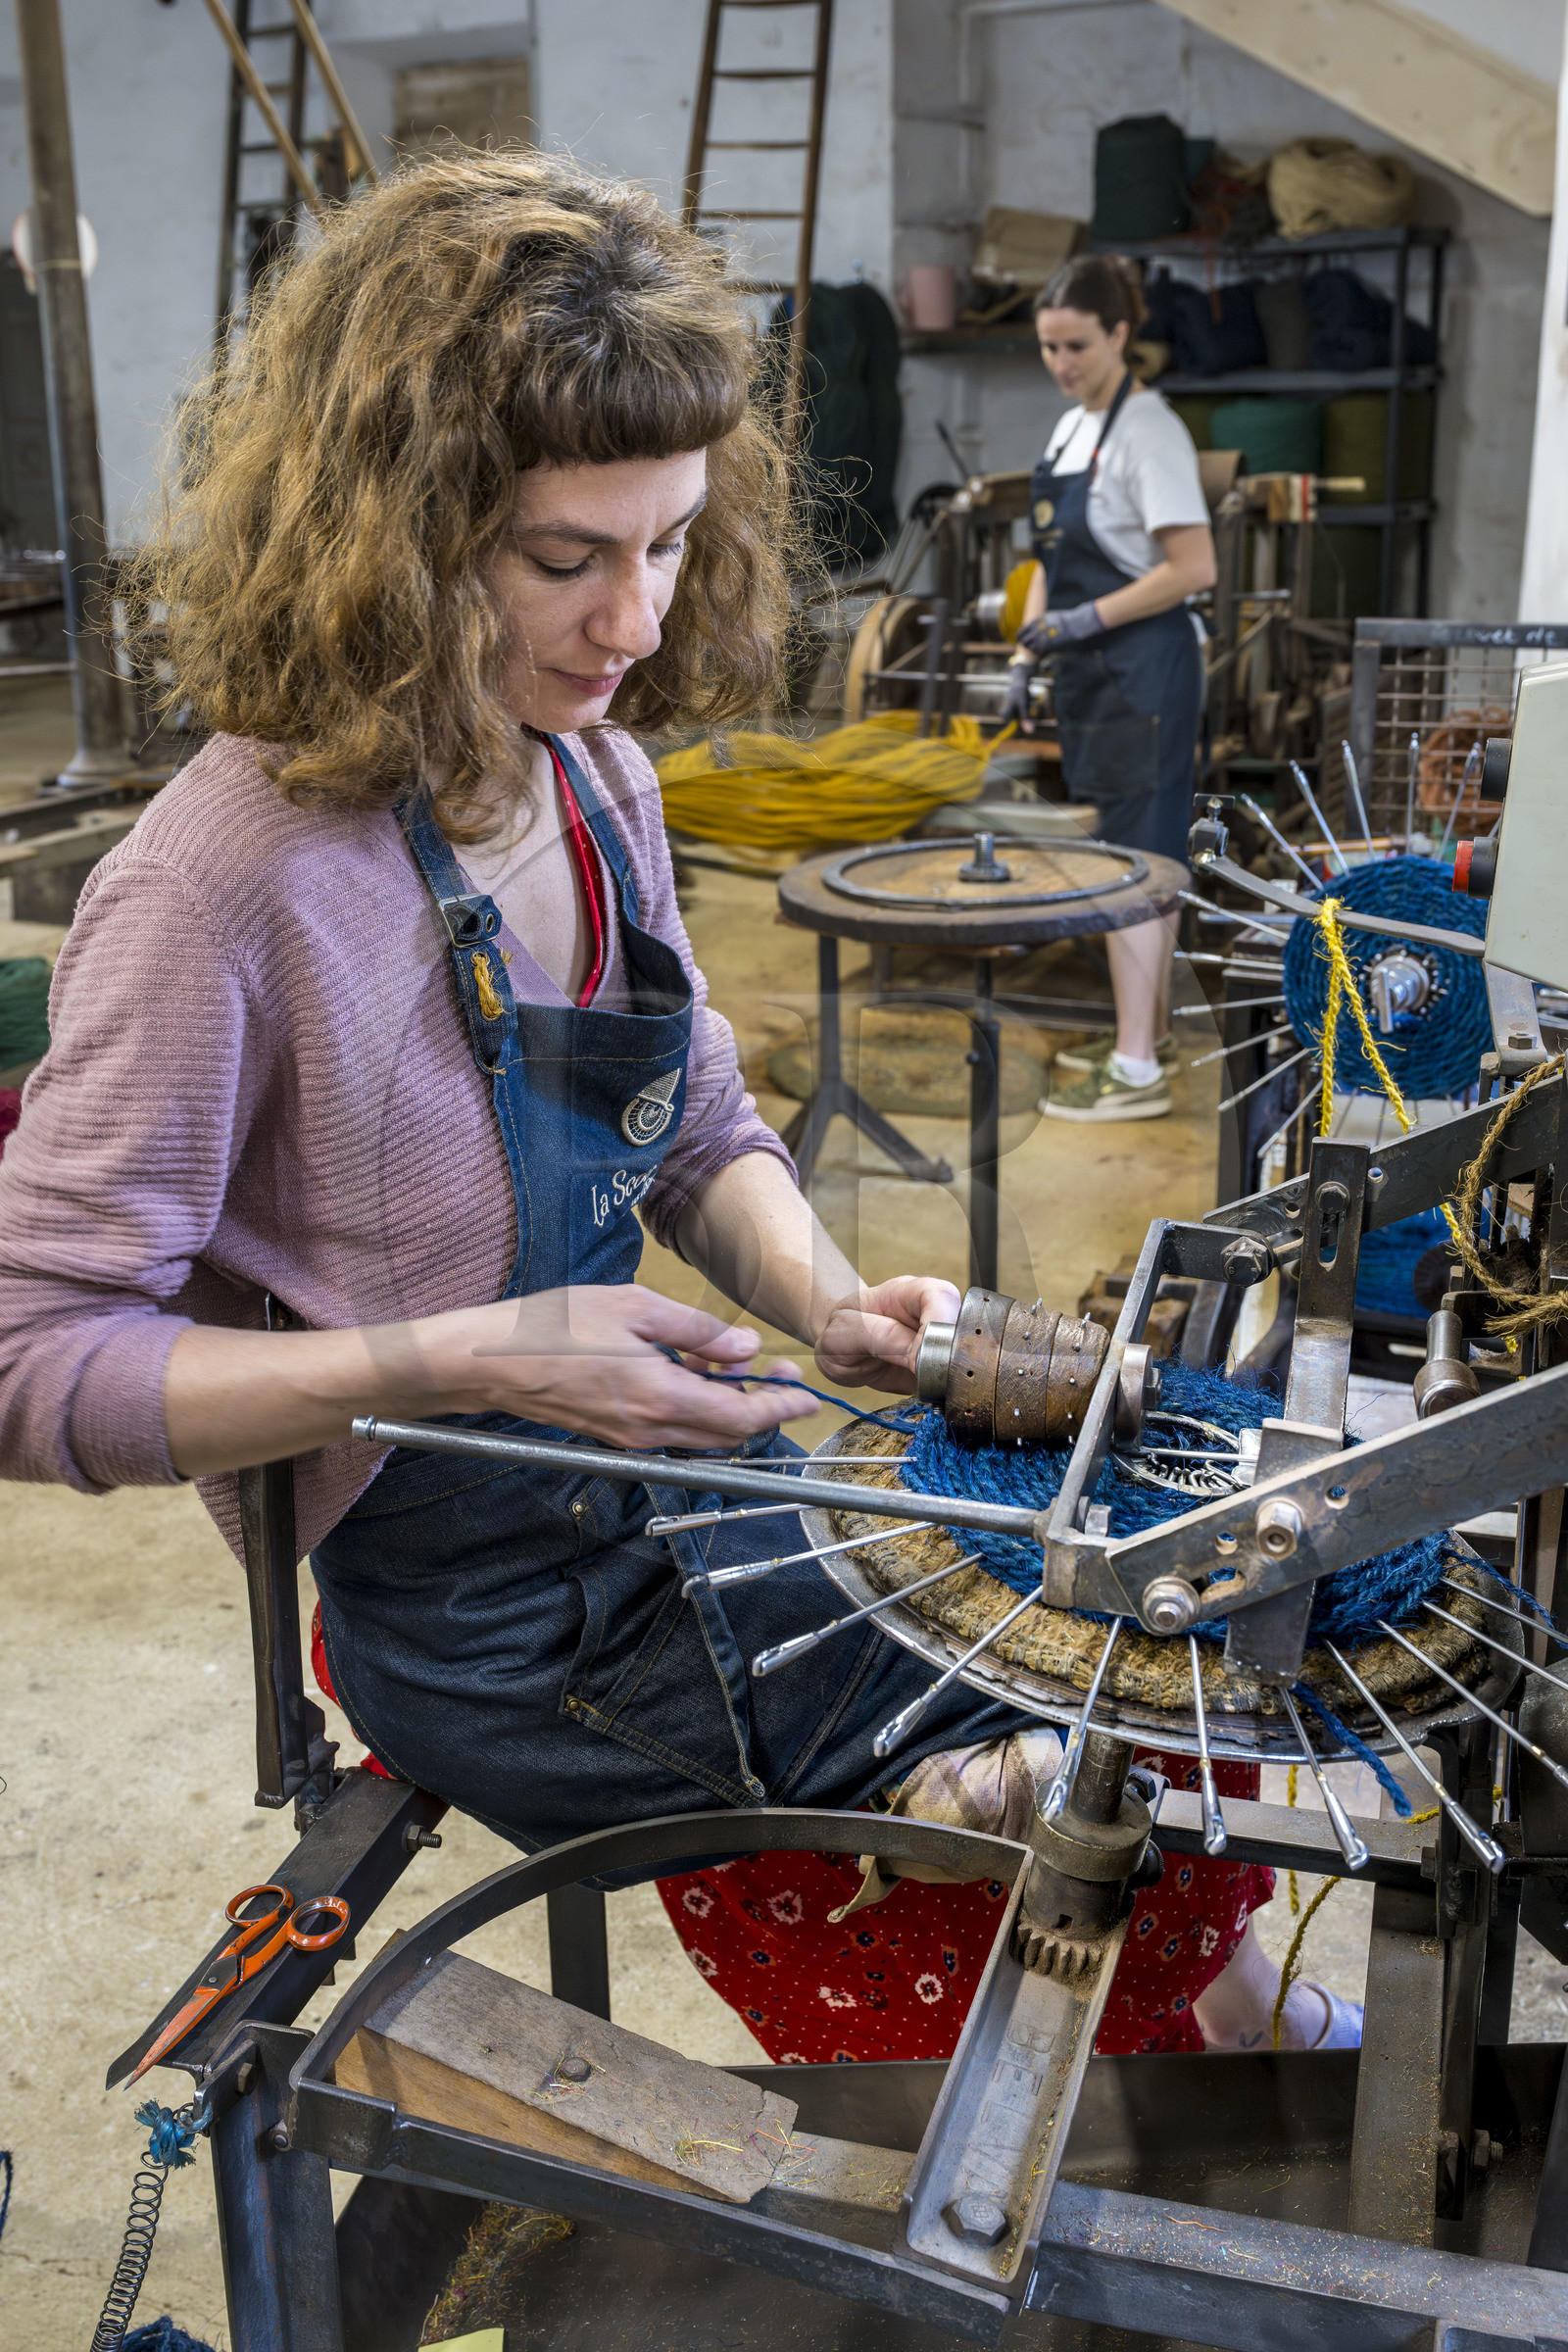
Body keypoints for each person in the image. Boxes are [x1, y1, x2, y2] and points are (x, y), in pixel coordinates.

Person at [0, 153, 1344, 2059]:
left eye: (671, 540)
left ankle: (1237, 2052)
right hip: (484, 1621)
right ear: (392, 528)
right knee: (1056, 1666)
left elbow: (698, 1117)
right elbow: (30, 1357)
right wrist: (477, 1355)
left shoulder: (594, 780)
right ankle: (1178, 2069)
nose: (632, 617)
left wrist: (813, 1299)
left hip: (665, 1460)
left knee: (1140, 1564)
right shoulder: (218, 887)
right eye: (565, 558)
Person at [1002, 255, 1217, 1125]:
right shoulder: (1069, 431)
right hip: (1090, 676)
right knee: (1120, 860)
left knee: (1142, 867)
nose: (1062, 362)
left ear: (1122, 334)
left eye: (1077, 345)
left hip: (1144, 669)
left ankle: (1136, 1073)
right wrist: (1029, 651)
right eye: (1049, 347)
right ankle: (1145, 1034)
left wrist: (1085, 624)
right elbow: (1054, 560)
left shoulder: (1147, 431)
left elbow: (1194, 567)